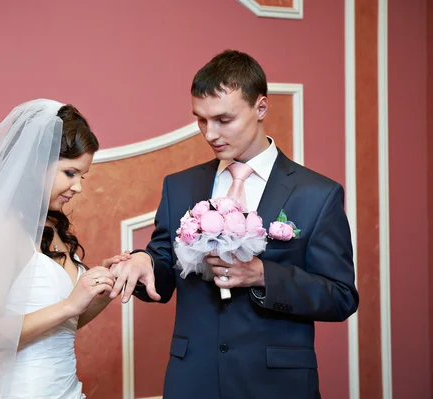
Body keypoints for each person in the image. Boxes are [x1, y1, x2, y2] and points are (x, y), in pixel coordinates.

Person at [109, 50, 359, 398]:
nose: (210, 134)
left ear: (260, 108)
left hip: (277, 384)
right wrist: (143, 262)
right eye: (200, 120)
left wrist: (261, 275)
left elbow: (341, 297)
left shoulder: (317, 194)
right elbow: (164, 266)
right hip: (192, 379)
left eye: (223, 120)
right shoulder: (179, 185)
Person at [0, 99, 129, 398]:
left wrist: (100, 289)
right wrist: (69, 304)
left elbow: (65, 324)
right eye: (70, 173)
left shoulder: (52, 227)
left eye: (82, 176)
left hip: (67, 389)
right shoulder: (5, 230)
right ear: (36, 164)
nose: (78, 187)